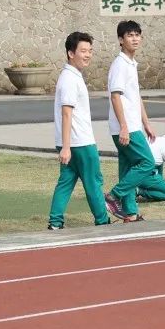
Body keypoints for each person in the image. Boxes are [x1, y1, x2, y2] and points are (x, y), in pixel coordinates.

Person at [48, 31, 111, 230]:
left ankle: (55, 222)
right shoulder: (69, 79)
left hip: (72, 142)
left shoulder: (72, 76)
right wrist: (66, 147)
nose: (88, 55)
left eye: (90, 51)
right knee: (93, 182)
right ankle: (102, 220)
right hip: (80, 143)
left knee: (66, 182)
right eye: (83, 51)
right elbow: (67, 113)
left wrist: (65, 146)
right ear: (70, 53)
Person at [104, 20, 156, 223]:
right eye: (129, 35)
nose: (134, 38)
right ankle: (113, 196)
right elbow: (115, 96)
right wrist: (125, 126)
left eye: (137, 34)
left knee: (127, 168)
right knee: (147, 162)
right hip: (125, 127)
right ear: (120, 40)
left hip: (132, 125)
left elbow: (136, 96)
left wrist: (146, 122)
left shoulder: (131, 63)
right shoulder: (120, 64)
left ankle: (130, 213)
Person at [138, 125, 165, 202]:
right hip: (145, 173)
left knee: (159, 163)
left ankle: (138, 188)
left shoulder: (156, 140)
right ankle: (138, 191)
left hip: (132, 170)